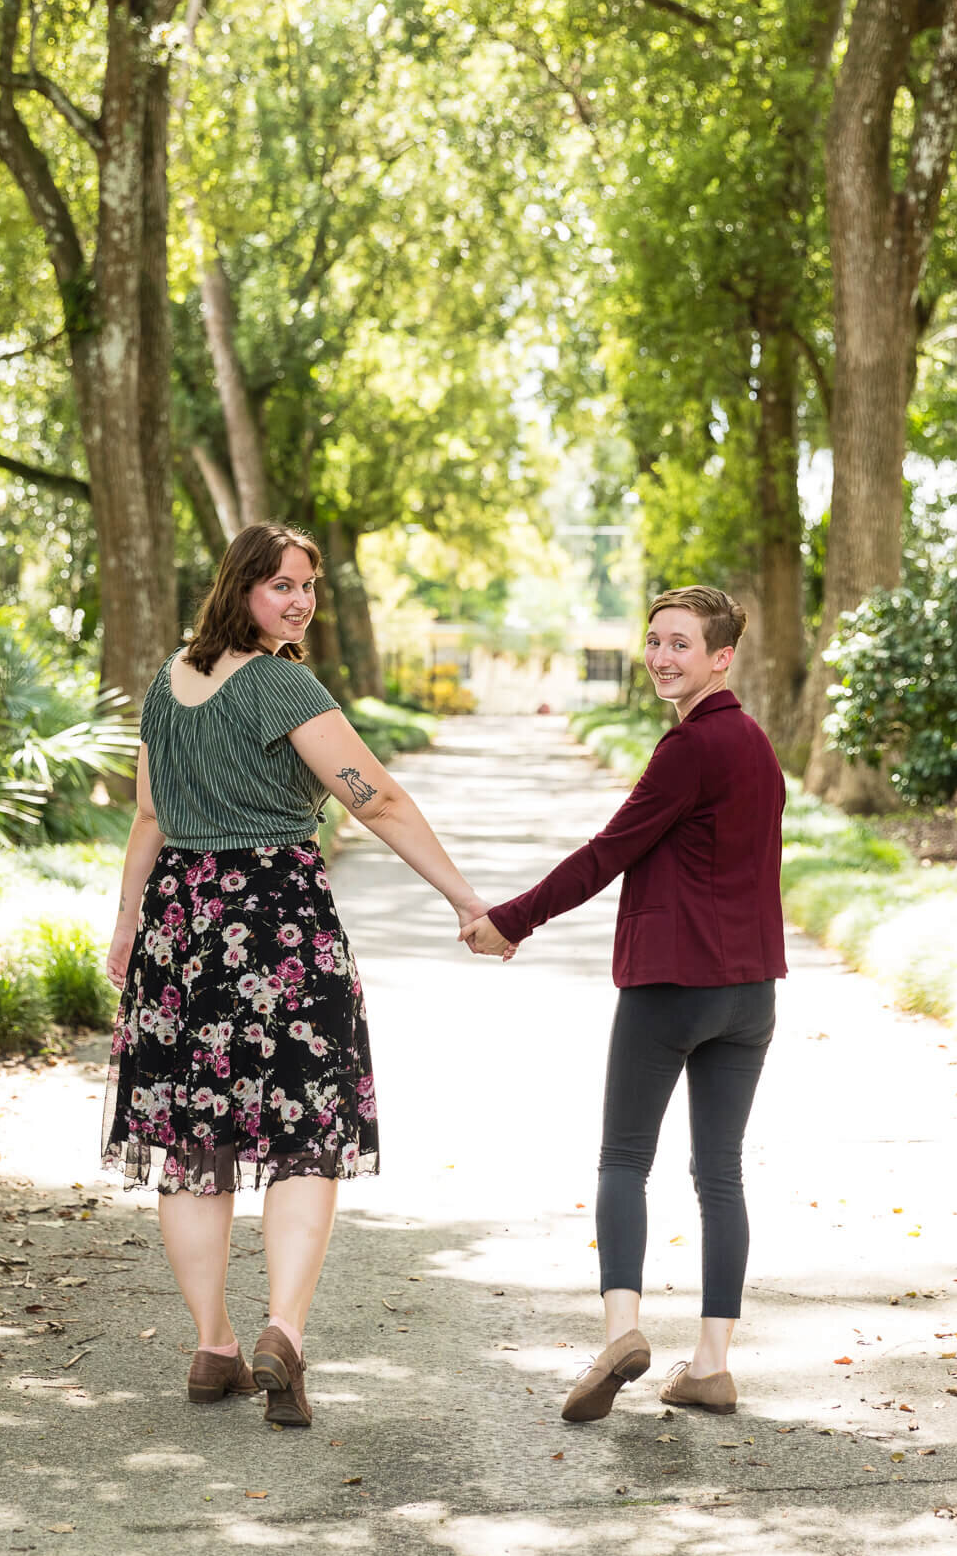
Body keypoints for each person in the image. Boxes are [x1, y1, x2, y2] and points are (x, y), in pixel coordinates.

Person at [102, 521, 487, 1424]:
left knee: (195, 1141)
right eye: (281, 584)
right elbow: (377, 798)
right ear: (239, 588)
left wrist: (128, 925)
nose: (299, 599)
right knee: (304, 1127)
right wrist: (466, 900)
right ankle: (282, 1330)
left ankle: (213, 1347)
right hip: (277, 925)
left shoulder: (168, 682)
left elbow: (150, 817)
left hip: (180, 930)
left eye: (307, 585)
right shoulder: (281, 686)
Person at [463, 586, 785, 1422]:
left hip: (672, 985)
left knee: (623, 1161)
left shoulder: (690, 749)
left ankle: (621, 1331)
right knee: (719, 1172)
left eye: (680, 644)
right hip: (749, 993)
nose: (660, 657)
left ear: (722, 657)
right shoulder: (756, 745)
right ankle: (710, 1364)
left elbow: (607, 852)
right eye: (652, 641)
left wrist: (510, 921)